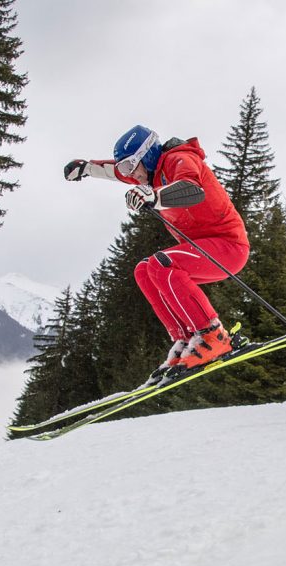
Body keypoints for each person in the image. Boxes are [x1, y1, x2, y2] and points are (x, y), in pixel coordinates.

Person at [64, 125, 250, 384]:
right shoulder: (147, 174)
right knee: (145, 269)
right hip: (201, 250)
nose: (130, 174)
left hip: (228, 247)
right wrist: (86, 168)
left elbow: (192, 190)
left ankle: (213, 335)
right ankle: (187, 338)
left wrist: (154, 196)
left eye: (131, 166)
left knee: (164, 265)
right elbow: (115, 171)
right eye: (127, 168)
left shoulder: (180, 159)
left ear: (148, 155)